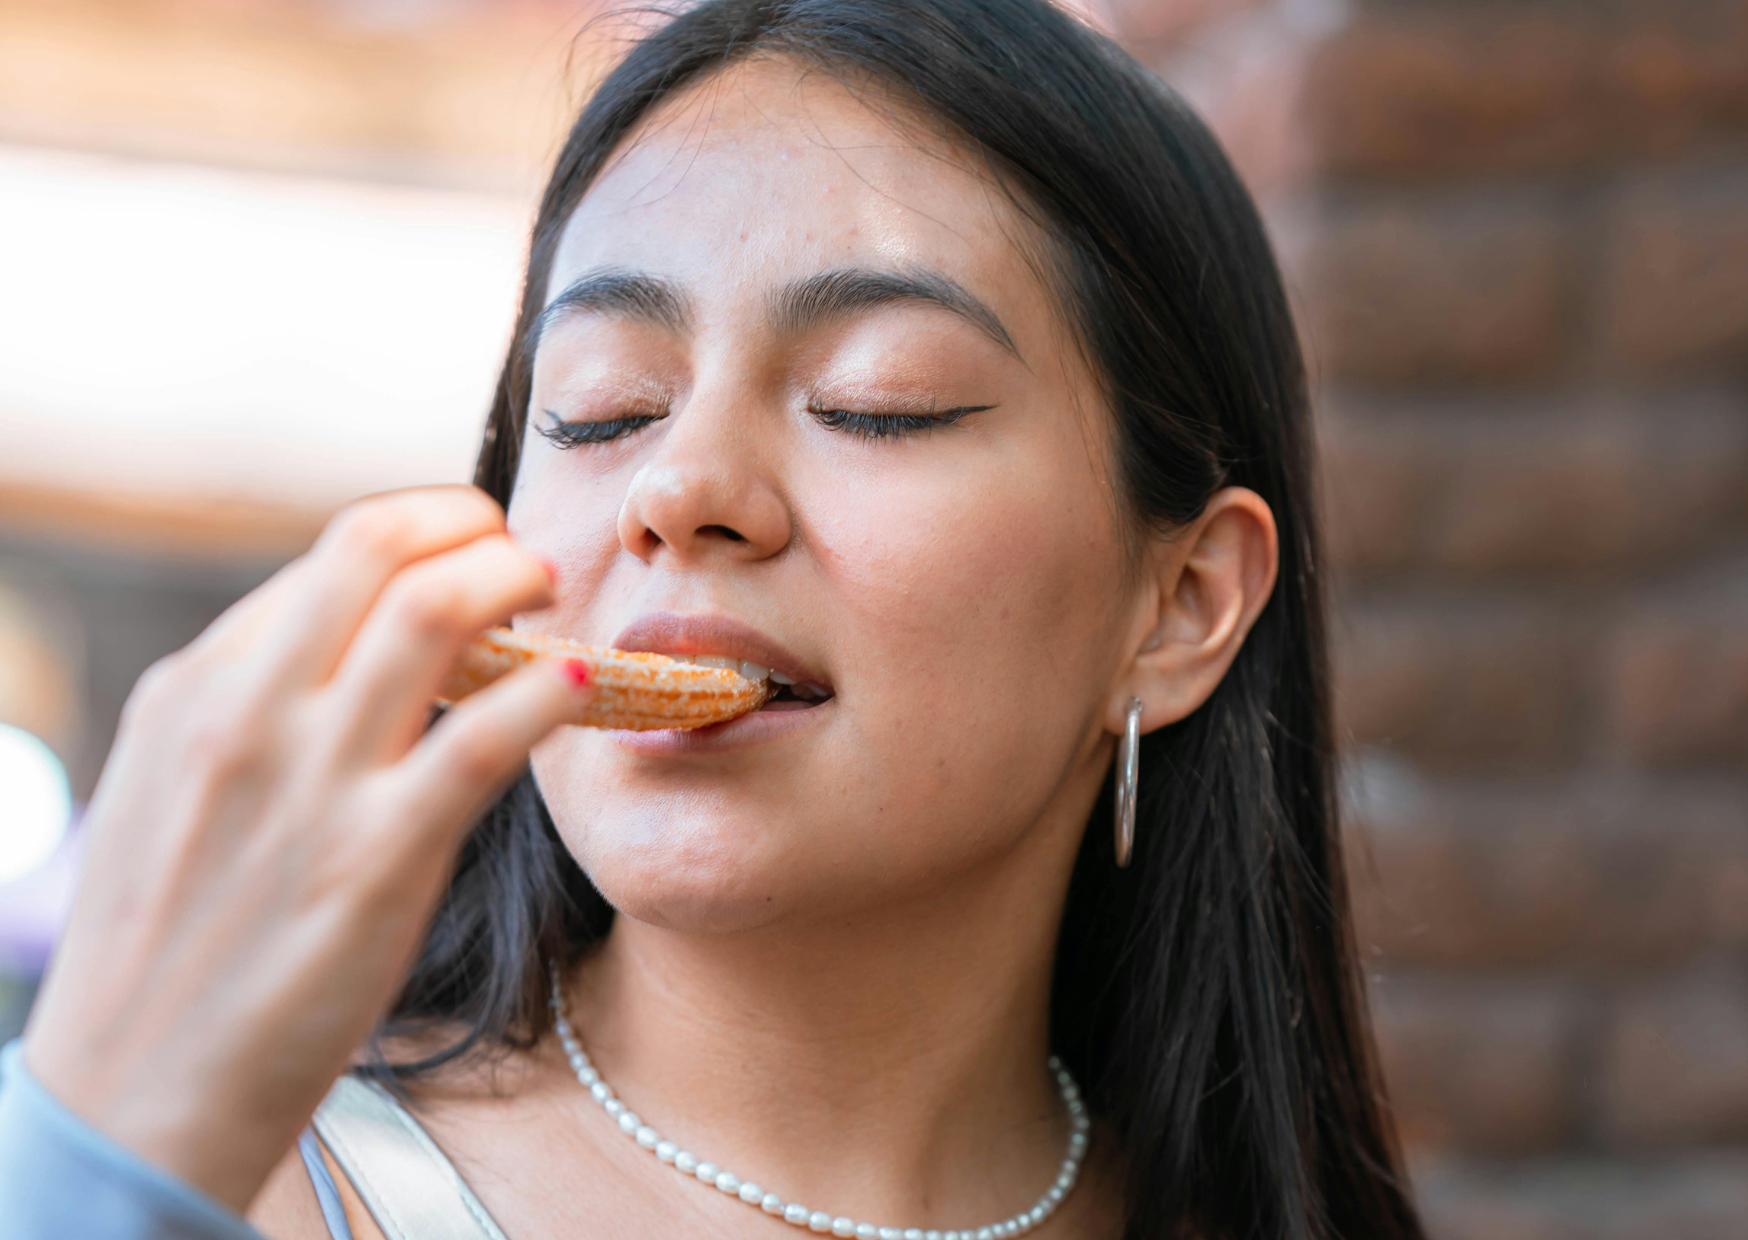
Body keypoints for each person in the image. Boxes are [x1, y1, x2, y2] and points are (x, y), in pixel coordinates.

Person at [0, 1, 1427, 1237]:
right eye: (601, 407)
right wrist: (98, 1160)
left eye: (882, 399)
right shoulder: (218, 1178)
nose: (679, 488)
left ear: (1178, 607)